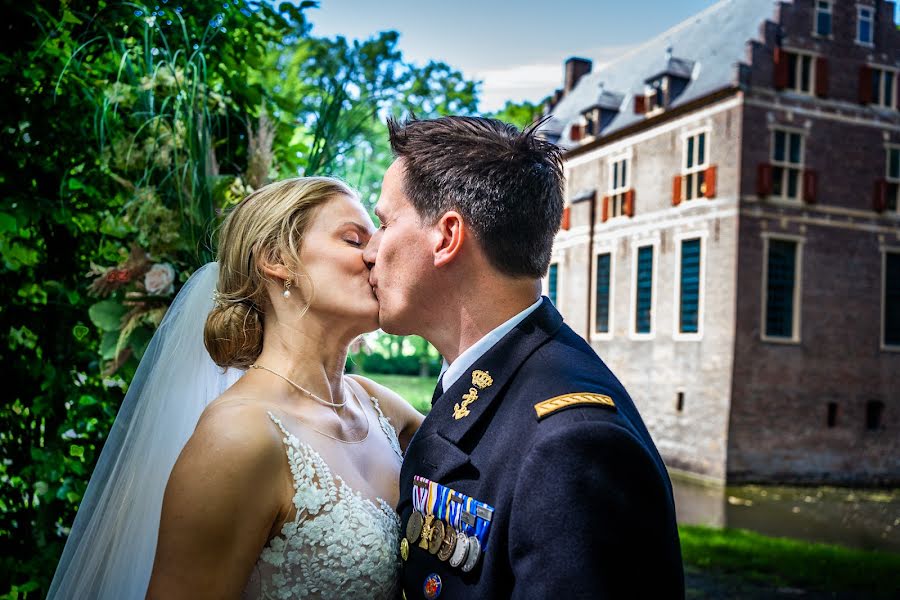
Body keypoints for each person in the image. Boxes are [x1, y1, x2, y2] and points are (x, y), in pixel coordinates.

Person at [48, 177, 423, 600]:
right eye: (354, 240)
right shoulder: (239, 436)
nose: (377, 254)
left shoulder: (377, 405)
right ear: (278, 259)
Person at [363, 116, 685, 599]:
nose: (370, 250)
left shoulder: (572, 444)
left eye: (385, 223)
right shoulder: (491, 379)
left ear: (446, 237)